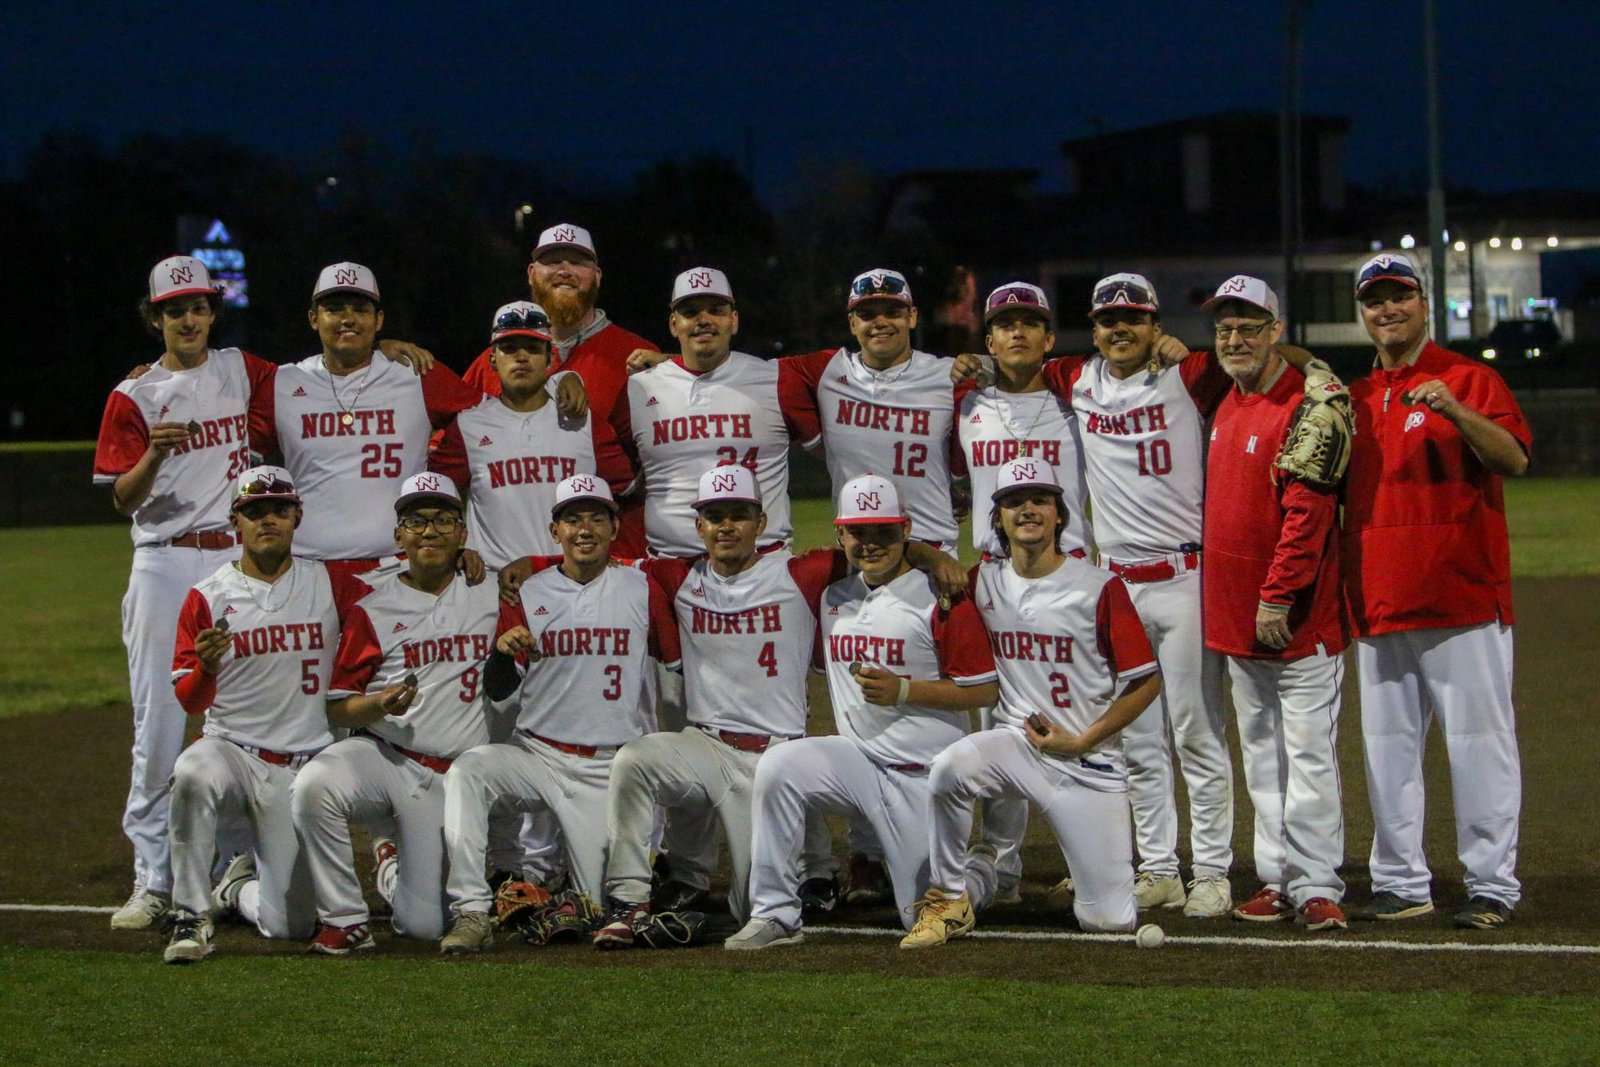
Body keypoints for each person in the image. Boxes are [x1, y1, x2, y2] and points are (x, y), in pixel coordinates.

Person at [957, 273, 1234, 917]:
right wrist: (963, 365)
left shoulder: (1185, 375)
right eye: (1108, 319)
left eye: (1133, 317)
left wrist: (1193, 346)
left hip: (1184, 579)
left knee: (1196, 733)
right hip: (1114, 582)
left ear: (1154, 323)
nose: (1119, 328)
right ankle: (1159, 866)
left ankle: (1214, 870)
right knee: (1135, 740)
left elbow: (1268, 357)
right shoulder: (1076, 381)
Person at [726, 475, 998, 950]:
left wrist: (904, 690)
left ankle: (979, 873)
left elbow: (983, 690)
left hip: (923, 777)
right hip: (857, 763)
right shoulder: (833, 597)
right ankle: (774, 914)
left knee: (918, 910)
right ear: (840, 535)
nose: (871, 543)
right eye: (859, 532)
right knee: (780, 766)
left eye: (884, 532)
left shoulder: (940, 597)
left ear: (905, 531)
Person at [1342, 252, 1531, 930]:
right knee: (1387, 749)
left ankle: (1491, 883)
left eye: (1398, 297)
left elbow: (1513, 457)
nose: (1386, 309)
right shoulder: (1354, 399)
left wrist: (1455, 410)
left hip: (1462, 599)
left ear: (1423, 303)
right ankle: (1399, 880)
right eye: (1374, 300)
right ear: (1362, 312)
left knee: (1480, 743)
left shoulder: (1468, 378)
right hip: (1377, 600)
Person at [905, 459, 1161, 947]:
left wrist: (1084, 738)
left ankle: (1082, 885)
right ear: (997, 518)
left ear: (1060, 515)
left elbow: (1145, 681)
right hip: (1017, 746)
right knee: (950, 769)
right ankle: (951, 897)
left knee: (1108, 922)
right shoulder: (982, 581)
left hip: (1087, 761)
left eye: (1040, 500)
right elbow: (904, 552)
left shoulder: (1098, 587)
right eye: (1014, 502)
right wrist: (931, 556)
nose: (1028, 510)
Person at [593, 465, 851, 940]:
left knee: (752, 907)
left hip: (774, 759)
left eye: (738, 515)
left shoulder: (799, 572)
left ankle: (820, 869)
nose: (726, 527)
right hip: (706, 746)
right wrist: (531, 566)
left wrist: (932, 559)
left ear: (761, 522)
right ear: (699, 527)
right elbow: (596, 562)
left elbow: (873, 551)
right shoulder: (679, 576)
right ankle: (629, 899)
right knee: (635, 760)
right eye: (714, 516)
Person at [93, 256, 275, 930]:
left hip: (233, 558)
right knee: (161, 720)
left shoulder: (240, 369)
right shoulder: (134, 394)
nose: (190, 318)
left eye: (199, 306)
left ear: (212, 311)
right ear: (157, 317)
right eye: (176, 309)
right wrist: (155, 455)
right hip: (165, 563)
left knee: (243, 715)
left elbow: (322, 378)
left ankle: (236, 859)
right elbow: (121, 496)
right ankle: (154, 876)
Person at [437, 476, 679, 954]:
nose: (583, 529)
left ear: (615, 527)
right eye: (572, 519)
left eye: (595, 518)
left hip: (608, 767)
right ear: (555, 530)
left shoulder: (643, 586)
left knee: (597, 908)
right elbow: (499, 690)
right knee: (469, 772)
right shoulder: (527, 592)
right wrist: (503, 654)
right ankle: (470, 910)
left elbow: (673, 670)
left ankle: (571, 896)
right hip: (539, 755)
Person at [163, 466, 369, 962]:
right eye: (255, 512)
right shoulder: (207, 596)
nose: (268, 520)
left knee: (289, 925)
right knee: (191, 770)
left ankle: (237, 889)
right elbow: (190, 700)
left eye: (279, 509)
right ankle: (189, 916)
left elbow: (408, 584)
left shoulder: (331, 581)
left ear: (298, 516)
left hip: (302, 768)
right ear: (236, 521)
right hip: (234, 750)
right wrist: (207, 668)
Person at [292, 474, 505, 953]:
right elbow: (337, 705)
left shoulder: (490, 590)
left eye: (443, 520)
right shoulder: (375, 605)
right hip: (391, 759)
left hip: (456, 778)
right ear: (398, 536)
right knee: (314, 784)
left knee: (424, 926)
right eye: (416, 521)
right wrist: (378, 703)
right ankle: (345, 916)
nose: (429, 531)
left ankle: (387, 858)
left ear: (462, 533)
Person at [1199, 276, 1349, 932]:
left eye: (1249, 328)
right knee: (1262, 754)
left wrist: (1277, 594)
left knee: (1309, 754)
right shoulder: (1229, 403)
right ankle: (1277, 877)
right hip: (1237, 621)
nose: (1236, 339)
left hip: (1295, 618)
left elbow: (1307, 515)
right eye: (1226, 329)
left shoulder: (1306, 403)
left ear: (1275, 332)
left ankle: (1317, 884)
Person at [958, 281, 1092, 907]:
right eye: (1004, 323)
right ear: (988, 341)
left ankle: (1091, 854)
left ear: (1048, 339)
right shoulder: (965, 406)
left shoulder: (1080, 402)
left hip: (1069, 580)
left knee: (1078, 720)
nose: (1017, 332)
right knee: (1000, 727)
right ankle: (1002, 868)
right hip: (993, 580)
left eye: (1029, 322)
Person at [249, 263, 483, 577]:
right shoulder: (282, 383)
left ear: (379, 320)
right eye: (334, 309)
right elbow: (248, 453)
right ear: (313, 319)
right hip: (306, 567)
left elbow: (488, 416)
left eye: (360, 309)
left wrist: (441, 475)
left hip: (397, 565)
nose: (348, 319)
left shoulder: (415, 373)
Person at [462, 223, 658, 554]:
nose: (564, 271)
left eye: (577, 262)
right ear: (531, 273)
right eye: (552, 261)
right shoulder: (491, 362)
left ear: (596, 275)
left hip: (606, 555)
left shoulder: (636, 356)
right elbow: (445, 445)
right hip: (507, 558)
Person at [431, 301, 596, 569]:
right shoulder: (468, 425)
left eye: (532, 349)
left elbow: (624, 495)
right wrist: (457, 548)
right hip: (494, 584)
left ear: (551, 357)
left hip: (573, 578)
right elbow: (435, 500)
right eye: (509, 349)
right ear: (492, 359)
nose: (521, 357)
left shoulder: (584, 421)